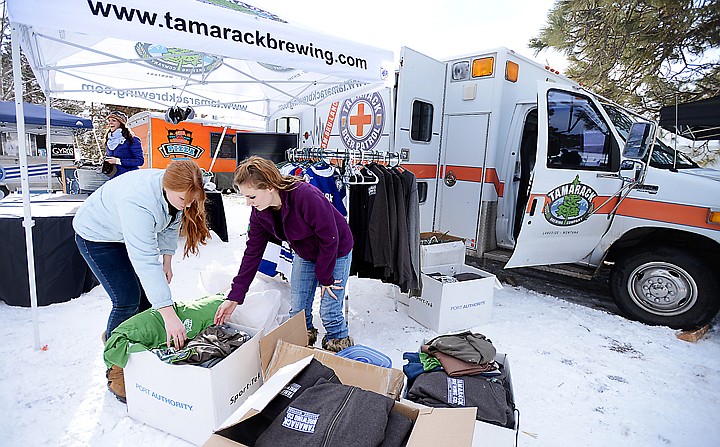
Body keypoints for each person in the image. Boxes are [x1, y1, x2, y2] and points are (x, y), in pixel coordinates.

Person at [214, 156, 354, 352]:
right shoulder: (260, 213)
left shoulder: (305, 196)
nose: (247, 203)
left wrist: (325, 277)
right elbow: (252, 253)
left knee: (329, 312)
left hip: (335, 249)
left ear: (270, 187)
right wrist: (235, 296)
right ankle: (304, 352)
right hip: (305, 253)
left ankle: (341, 350)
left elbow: (329, 237)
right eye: (245, 196)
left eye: (251, 196)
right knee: (297, 312)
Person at [73, 160, 211, 349]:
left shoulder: (176, 189)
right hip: (97, 235)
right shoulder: (138, 202)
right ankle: (115, 361)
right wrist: (170, 316)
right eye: (183, 200)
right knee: (127, 299)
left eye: (191, 200)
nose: (187, 205)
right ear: (167, 187)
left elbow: (170, 225)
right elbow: (145, 261)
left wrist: (167, 260)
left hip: (121, 232)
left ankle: (143, 349)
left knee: (147, 298)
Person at [102, 111, 144, 178]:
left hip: (129, 177)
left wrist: (118, 161)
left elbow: (140, 161)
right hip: (113, 178)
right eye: (109, 120)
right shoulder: (109, 140)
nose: (110, 123)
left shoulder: (132, 140)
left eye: (114, 120)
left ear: (121, 123)